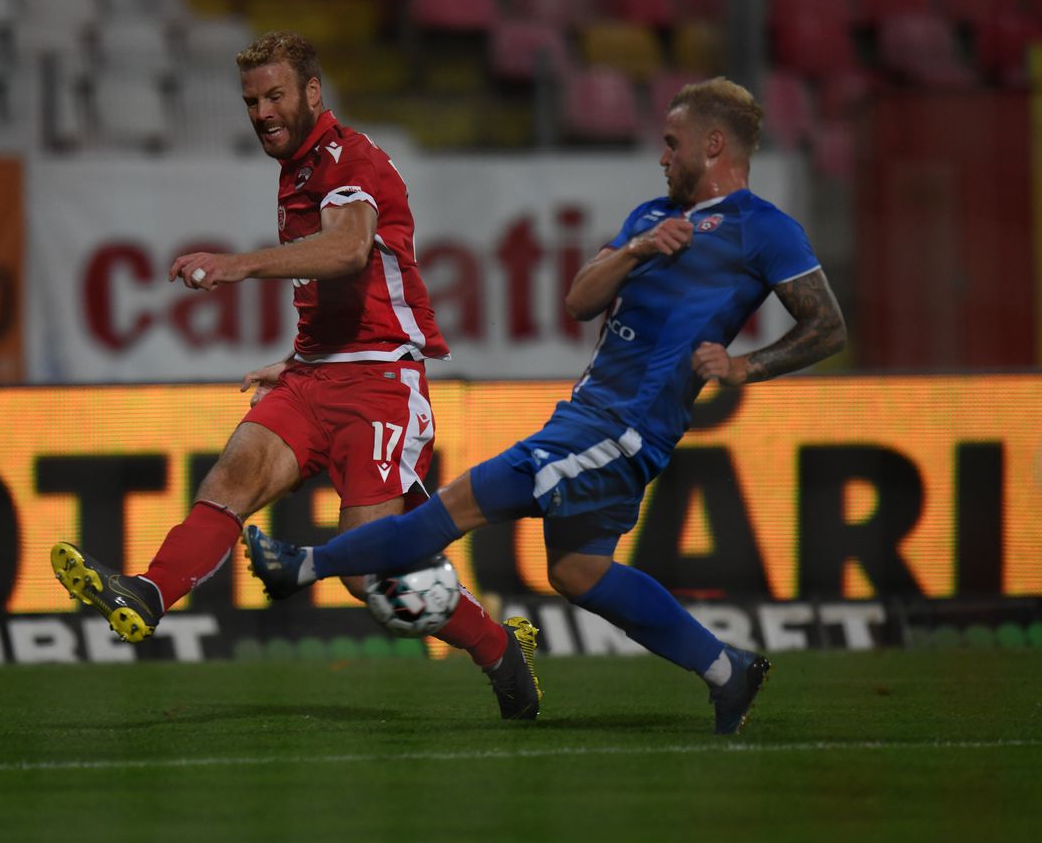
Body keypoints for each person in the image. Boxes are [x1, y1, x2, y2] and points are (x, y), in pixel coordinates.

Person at [245, 76, 847, 734]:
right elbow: (581, 299)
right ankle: (729, 671)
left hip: (623, 427)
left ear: (713, 144)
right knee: (580, 571)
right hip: (590, 413)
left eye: (673, 145)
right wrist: (639, 248)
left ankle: (304, 564)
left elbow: (826, 326)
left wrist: (743, 365)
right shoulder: (650, 217)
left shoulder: (766, 230)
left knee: (457, 505)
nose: (663, 158)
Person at [50, 31, 542, 721]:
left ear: (313, 93)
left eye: (275, 95)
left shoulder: (348, 156)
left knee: (371, 574)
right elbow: (344, 282)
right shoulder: (300, 170)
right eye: (251, 100)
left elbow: (346, 250)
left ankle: (495, 647)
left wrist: (237, 264)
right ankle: (147, 593)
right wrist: (298, 356)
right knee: (232, 477)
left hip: (380, 388)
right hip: (314, 378)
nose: (262, 112)